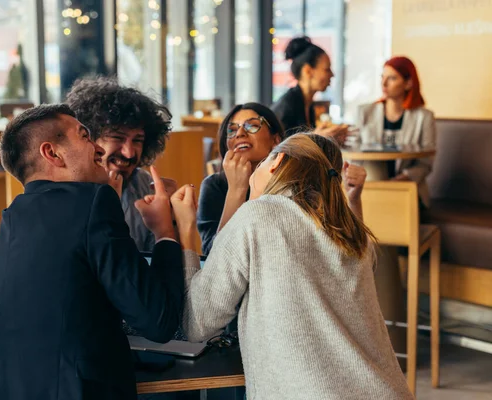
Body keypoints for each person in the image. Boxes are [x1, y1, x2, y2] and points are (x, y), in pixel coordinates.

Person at [171, 134, 413, 400]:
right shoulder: (353, 231)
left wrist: (184, 232)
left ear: (277, 162)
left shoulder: (257, 216)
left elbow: (196, 323)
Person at [0, 105, 184, 400]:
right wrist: (165, 232)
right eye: (85, 137)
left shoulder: (13, 217)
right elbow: (159, 321)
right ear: (52, 153)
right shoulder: (94, 201)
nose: (98, 149)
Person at [197, 103, 367, 255]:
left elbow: (342, 246)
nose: (240, 133)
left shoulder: (296, 183)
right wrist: (236, 191)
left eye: (252, 126)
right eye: (232, 130)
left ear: (276, 141)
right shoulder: (214, 186)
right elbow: (213, 257)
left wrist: (354, 200)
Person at [66, 77, 177, 251]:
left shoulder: (143, 184)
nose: (129, 152)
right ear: (89, 138)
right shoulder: (68, 190)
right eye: (118, 138)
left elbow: (156, 261)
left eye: (138, 140)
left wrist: (172, 219)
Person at [356, 56, 436, 207]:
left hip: (408, 189)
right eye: (382, 77)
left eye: (392, 78)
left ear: (408, 83)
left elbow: (426, 162)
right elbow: (355, 154)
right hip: (372, 186)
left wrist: (398, 182)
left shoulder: (424, 117)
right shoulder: (364, 112)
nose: (384, 83)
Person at [271, 36, 348, 143]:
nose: (332, 75)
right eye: (327, 69)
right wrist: (316, 137)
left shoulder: (307, 104)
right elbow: (282, 150)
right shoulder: (287, 107)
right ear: (308, 71)